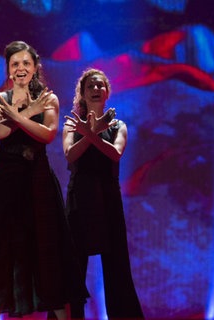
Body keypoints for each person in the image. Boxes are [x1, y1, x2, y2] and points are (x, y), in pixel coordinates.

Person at [0, 40, 89, 319]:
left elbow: (47, 134)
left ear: (35, 67)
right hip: (6, 182)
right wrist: (27, 113)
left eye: (26, 63)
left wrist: (15, 117)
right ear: (7, 68)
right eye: (15, 63)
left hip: (38, 180)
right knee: (0, 250)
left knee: (48, 250)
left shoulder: (48, 99)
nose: (21, 68)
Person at [62, 68, 144, 319]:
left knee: (117, 266)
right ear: (83, 94)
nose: (96, 90)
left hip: (108, 197)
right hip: (79, 199)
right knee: (74, 267)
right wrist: (91, 132)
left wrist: (92, 133)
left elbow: (115, 153)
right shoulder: (72, 124)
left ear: (107, 92)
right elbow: (70, 154)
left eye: (100, 86)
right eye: (91, 86)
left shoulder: (119, 125)